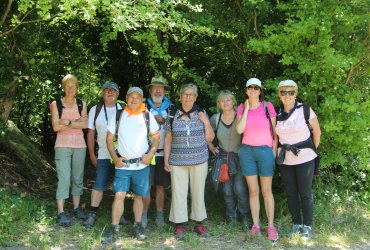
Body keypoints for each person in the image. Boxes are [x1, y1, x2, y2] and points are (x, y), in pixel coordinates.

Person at [103, 87, 160, 243]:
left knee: (139, 197)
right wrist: (115, 158)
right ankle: (114, 229)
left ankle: (137, 226)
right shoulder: (119, 115)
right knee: (119, 195)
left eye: (138, 97)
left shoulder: (147, 116)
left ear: (142, 99)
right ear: (127, 98)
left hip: (141, 165)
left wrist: (150, 154)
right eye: (131, 97)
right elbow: (108, 139)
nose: (134, 100)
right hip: (123, 165)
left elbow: (156, 138)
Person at [164, 83, 215, 240]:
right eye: (185, 94)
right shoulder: (172, 114)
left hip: (199, 160)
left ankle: (199, 224)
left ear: (196, 97)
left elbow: (210, 139)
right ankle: (179, 225)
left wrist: (206, 121)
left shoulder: (201, 113)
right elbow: (168, 139)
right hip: (177, 161)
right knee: (178, 193)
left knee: (198, 191)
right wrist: (166, 160)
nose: (188, 97)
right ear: (180, 96)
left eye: (191, 94)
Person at [275, 80, 321, 240]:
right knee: (291, 193)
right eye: (283, 92)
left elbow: (317, 132)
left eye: (291, 92)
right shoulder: (276, 113)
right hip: (285, 160)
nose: (287, 95)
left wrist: (309, 150)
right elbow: (275, 138)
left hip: (305, 158)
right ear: (279, 94)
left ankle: (307, 227)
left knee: (305, 193)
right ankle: (296, 225)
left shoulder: (305, 110)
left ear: (296, 93)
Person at [235, 77, 279, 241]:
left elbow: (275, 133)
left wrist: (273, 153)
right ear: (246, 90)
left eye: (256, 88)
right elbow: (239, 130)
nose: (253, 90)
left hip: (265, 151)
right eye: (250, 87)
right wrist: (246, 109)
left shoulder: (268, 106)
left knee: (267, 191)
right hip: (247, 152)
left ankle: (271, 226)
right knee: (253, 191)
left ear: (260, 91)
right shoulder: (241, 107)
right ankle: (256, 225)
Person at [83, 81, 128, 228]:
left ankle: (119, 215)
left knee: (120, 185)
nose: (110, 92)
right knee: (99, 184)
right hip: (102, 152)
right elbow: (90, 133)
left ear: (118, 94)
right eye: (107, 90)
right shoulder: (95, 110)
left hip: (121, 153)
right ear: (102, 93)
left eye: (113, 90)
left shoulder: (124, 109)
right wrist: (91, 154)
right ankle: (92, 214)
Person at [208, 90, 250, 227]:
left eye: (228, 100)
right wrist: (212, 147)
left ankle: (244, 216)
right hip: (223, 158)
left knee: (240, 189)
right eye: (222, 101)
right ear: (219, 103)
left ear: (233, 102)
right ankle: (231, 216)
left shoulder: (240, 116)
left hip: (239, 157)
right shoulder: (216, 118)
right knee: (226, 190)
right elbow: (206, 135)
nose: (225, 103)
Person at [50, 74, 88, 227]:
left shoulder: (81, 103)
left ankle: (77, 208)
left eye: (73, 86)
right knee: (64, 178)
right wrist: (76, 123)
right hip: (62, 145)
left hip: (80, 145)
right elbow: (55, 127)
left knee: (77, 178)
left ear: (77, 88)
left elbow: (85, 124)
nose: (71, 89)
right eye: (68, 86)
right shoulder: (56, 104)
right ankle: (61, 212)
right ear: (63, 88)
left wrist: (66, 121)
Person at [142, 76, 172, 228]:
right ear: (150, 90)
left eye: (161, 88)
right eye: (155, 88)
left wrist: (164, 121)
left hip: (163, 154)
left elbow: (175, 129)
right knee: (146, 186)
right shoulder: (142, 106)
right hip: (146, 153)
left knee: (160, 186)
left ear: (165, 91)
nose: (158, 91)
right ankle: (144, 215)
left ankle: (159, 216)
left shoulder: (171, 108)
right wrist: (150, 119)